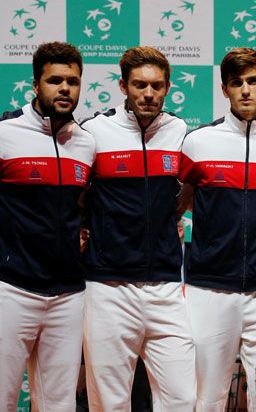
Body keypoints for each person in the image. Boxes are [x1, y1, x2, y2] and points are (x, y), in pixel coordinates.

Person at [180, 47, 256, 411]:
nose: (245, 90)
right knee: (208, 395)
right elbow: (181, 201)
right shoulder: (198, 142)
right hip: (209, 287)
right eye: (237, 83)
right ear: (224, 90)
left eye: (252, 82)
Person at [81, 46, 196, 411]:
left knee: (182, 398)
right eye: (139, 85)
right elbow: (76, 195)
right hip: (108, 288)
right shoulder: (94, 132)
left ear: (167, 88)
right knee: (109, 403)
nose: (148, 94)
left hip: (165, 286)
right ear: (123, 86)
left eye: (157, 86)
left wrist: (172, 217)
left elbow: (187, 191)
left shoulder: (178, 131)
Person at [0, 42, 95, 411]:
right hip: (12, 288)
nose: (65, 88)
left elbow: (89, 206)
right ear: (36, 84)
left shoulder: (86, 143)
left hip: (68, 295)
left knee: (59, 404)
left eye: (73, 80)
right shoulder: (6, 134)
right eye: (55, 80)